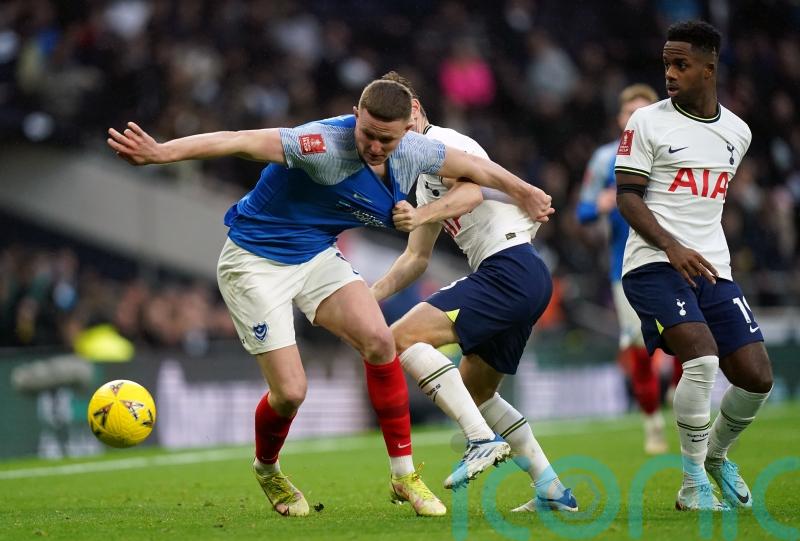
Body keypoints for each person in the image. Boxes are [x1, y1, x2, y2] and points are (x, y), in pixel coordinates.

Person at [107, 78, 555, 518]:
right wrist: (162, 152)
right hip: (256, 259)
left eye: (386, 140)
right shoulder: (320, 144)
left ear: (406, 131)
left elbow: (478, 170)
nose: (375, 147)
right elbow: (239, 140)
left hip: (316, 253)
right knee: (290, 393)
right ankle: (267, 468)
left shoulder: (417, 151)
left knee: (381, 341)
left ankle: (404, 475)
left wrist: (527, 192)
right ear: (355, 115)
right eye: (367, 134)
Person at [371, 72, 577, 512]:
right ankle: (552, 489)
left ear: (415, 110)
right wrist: (366, 300)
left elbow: (470, 196)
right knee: (475, 392)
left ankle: (481, 441)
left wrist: (422, 213)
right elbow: (416, 258)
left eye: (398, 125)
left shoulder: (445, 142)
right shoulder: (422, 176)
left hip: (509, 268)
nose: (394, 138)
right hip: (521, 275)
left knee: (399, 339)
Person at [615, 20, 773, 511]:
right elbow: (627, 197)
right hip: (652, 263)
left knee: (757, 377)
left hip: (712, 267)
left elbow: (707, 206)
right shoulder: (646, 122)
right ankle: (691, 486)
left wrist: (694, 250)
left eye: (681, 64)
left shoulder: (738, 133)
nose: (670, 73)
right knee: (701, 360)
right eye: (667, 63)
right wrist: (672, 246)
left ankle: (717, 456)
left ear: (709, 68)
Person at [577, 84, 670, 455]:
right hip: (627, 267)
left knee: (692, 337)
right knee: (640, 346)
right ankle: (653, 423)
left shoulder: (671, 152)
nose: (636, 119)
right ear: (620, 119)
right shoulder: (605, 160)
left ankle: (678, 394)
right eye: (630, 112)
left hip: (673, 257)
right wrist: (600, 204)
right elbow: (583, 212)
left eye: (643, 112)